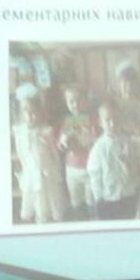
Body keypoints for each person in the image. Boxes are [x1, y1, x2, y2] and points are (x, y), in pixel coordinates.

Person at [11, 82, 67, 224]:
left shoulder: (46, 131)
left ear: (40, 112)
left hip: (47, 173)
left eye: (33, 112)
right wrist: (25, 170)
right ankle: (41, 221)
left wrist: (57, 170)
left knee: (53, 203)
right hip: (32, 174)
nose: (30, 116)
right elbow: (21, 152)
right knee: (39, 205)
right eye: (26, 113)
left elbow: (54, 153)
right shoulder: (20, 132)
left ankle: (56, 221)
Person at [87, 101, 139, 220]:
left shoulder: (128, 142)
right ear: (100, 123)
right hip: (109, 197)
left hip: (128, 194)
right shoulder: (99, 146)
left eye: (116, 119)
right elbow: (95, 173)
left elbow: (135, 168)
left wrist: (129, 163)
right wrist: (98, 197)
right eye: (108, 120)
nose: (112, 124)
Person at [57, 84, 98, 221]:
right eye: (71, 101)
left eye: (79, 100)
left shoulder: (93, 120)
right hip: (71, 168)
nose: (75, 104)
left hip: (88, 167)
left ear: (86, 101)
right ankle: (79, 221)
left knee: (91, 200)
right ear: (67, 103)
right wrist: (63, 142)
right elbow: (60, 144)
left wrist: (90, 139)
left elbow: (97, 142)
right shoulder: (66, 121)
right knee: (76, 201)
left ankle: (93, 223)